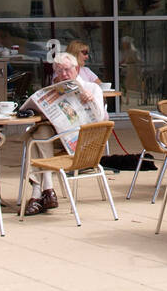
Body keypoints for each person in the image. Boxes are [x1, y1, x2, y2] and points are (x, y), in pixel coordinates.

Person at [24, 51, 107, 216]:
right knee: (39, 132)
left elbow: (100, 119)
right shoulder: (56, 90)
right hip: (58, 137)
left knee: (32, 140)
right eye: (59, 71)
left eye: (67, 70)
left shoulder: (92, 88)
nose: (63, 74)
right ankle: (47, 189)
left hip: (81, 141)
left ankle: (37, 194)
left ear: (76, 69)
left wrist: (91, 100)